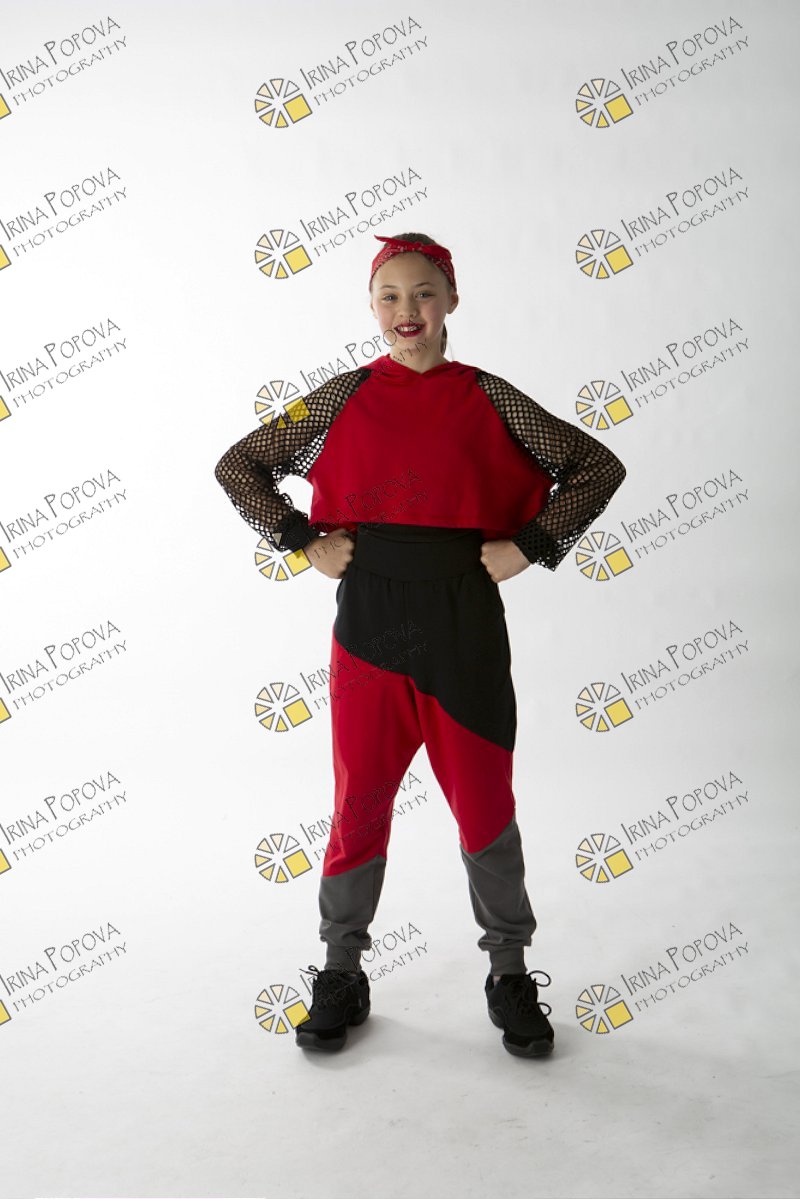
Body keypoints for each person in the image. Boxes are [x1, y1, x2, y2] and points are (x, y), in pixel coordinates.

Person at [214, 231, 627, 1058]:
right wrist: (302, 540)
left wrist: (531, 544)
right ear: (372, 306)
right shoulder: (341, 395)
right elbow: (240, 465)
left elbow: (595, 465)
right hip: (369, 623)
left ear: (452, 301)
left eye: (425, 292)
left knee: (484, 803)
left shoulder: (489, 396)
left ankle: (509, 972)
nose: (409, 309)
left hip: (463, 623)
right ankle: (341, 970)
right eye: (391, 295)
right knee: (360, 802)